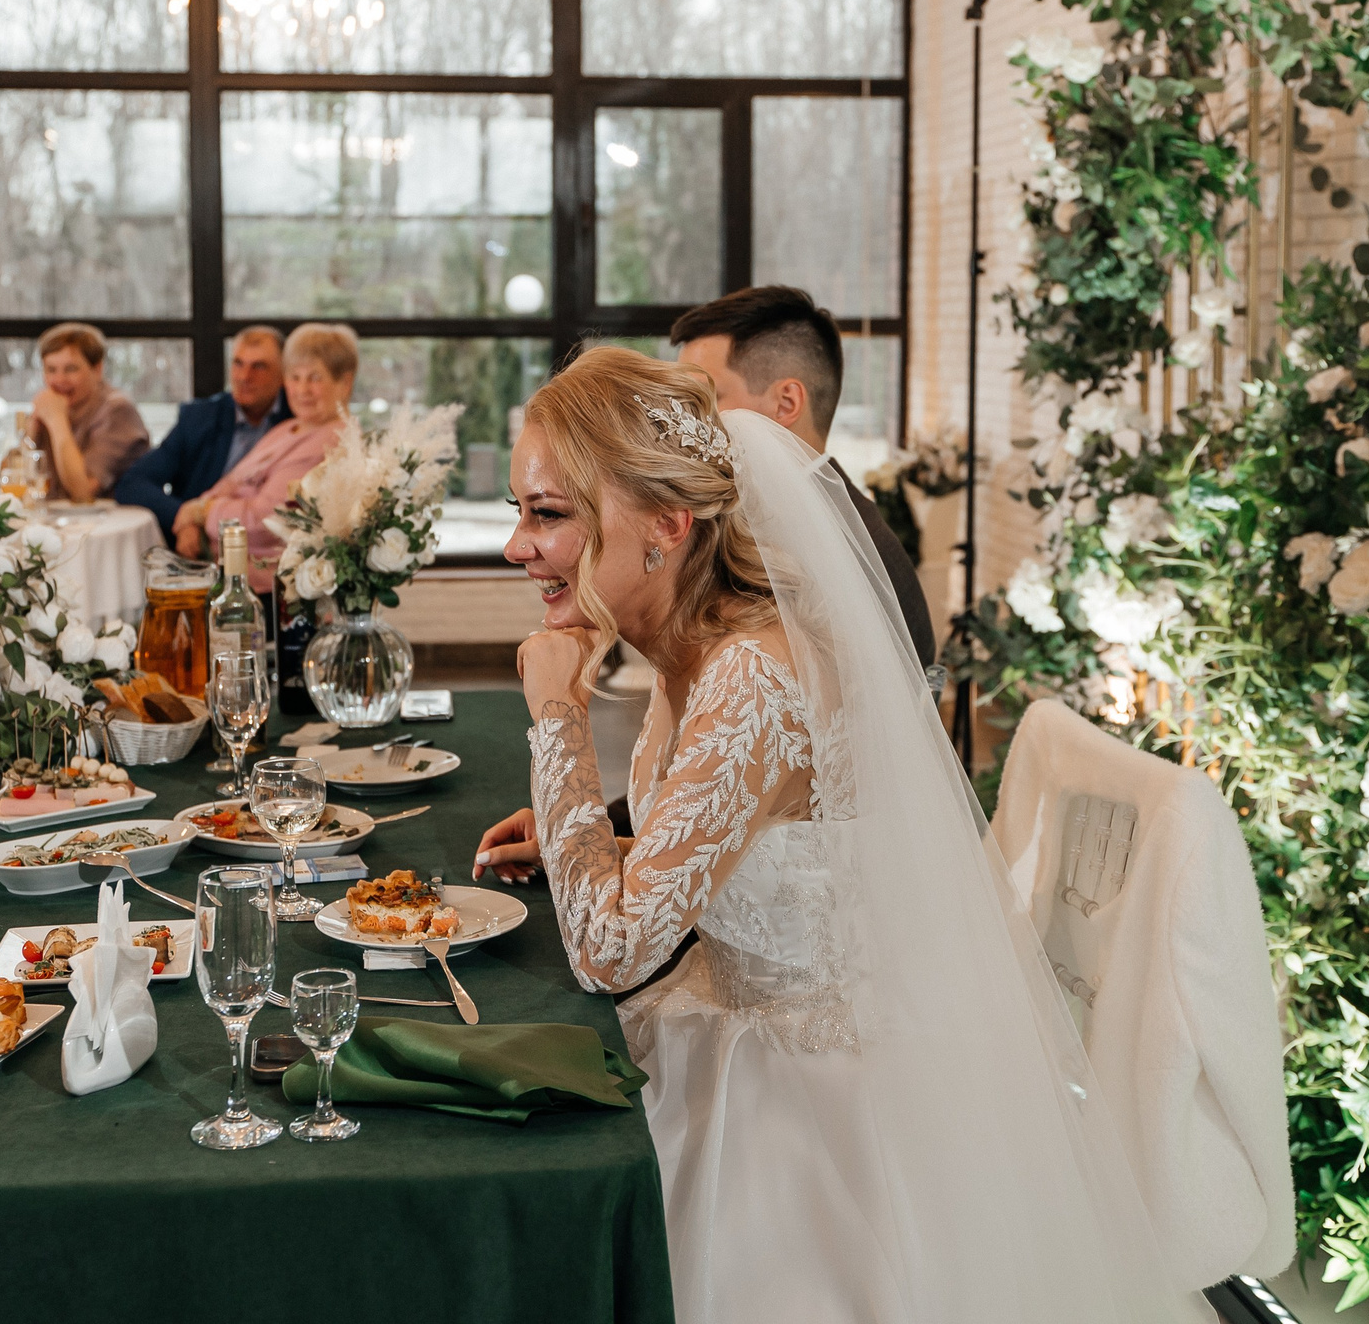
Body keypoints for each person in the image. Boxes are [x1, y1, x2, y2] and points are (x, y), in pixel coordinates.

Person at [472, 349, 1180, 1323]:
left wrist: (556, 716)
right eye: (521, 509)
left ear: (665, 526)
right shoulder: (709, 632)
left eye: (546, 511)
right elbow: (766, 850)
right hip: (741, 1015)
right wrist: (597, 843)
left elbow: (608, 951)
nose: (517, 545)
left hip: (813, 1106)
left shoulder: (750, 671)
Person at [670, 285, 938, 669]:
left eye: (704, 400)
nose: (683, 424)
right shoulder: (743, 516)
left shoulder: (859, 550)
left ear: (786, 403)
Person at [171, 323, 355, 585]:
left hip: (265, 590)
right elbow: (230, 483)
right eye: (294, 377)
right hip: (224, 569)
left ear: (345, 382)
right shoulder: (290, 427)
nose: (302, 390)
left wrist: (202, 512)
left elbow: (263, 522)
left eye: (315, 378)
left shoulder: (331, 440)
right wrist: (194, 515)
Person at [114, 327, 292, 543]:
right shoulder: (200, 418)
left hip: (271, 543)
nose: (245, 376)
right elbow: (133, 483)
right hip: (203, 546)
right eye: (238, 363)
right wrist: (183, 517)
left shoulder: (297, 420)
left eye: (259, 366)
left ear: (284, 373)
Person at [26, 322, 151, 504]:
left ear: (97, 369)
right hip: (59, 522)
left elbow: (82, 492)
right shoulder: (51, 407)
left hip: (110, 525)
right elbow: (14, 483)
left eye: (71, 369)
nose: (59, 380)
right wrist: (31, 430)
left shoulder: (118, 410)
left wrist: (57, 421)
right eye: (51, 370)